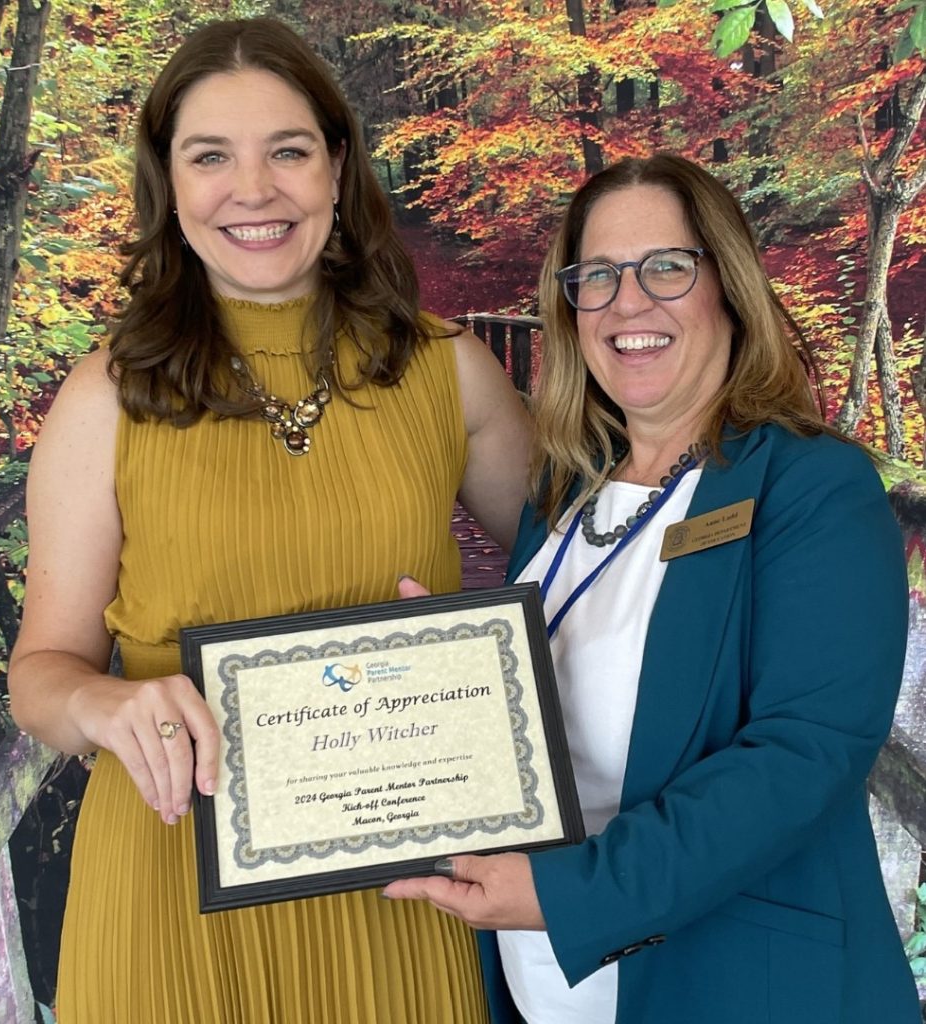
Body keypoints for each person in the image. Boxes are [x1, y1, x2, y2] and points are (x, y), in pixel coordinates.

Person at [8, 17, 530, 1024]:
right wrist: (104, 706)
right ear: (171, 182)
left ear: (336, 166)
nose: (254, 190)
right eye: (212, 156)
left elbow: (597, 572)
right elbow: (41, 673)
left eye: (287, 150)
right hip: (173, 878)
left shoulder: (447, 367)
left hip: (397, 881)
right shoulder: (103, 398)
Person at [385, 154, 921, 1023]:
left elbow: (803, 756)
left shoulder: (813, 487)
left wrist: (570, 893)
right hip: (543, 990)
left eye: (666, 267)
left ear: (729, 288)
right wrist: (447, 678)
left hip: (742, 990)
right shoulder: (567, 495)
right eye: (596, 276)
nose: (628, 304)